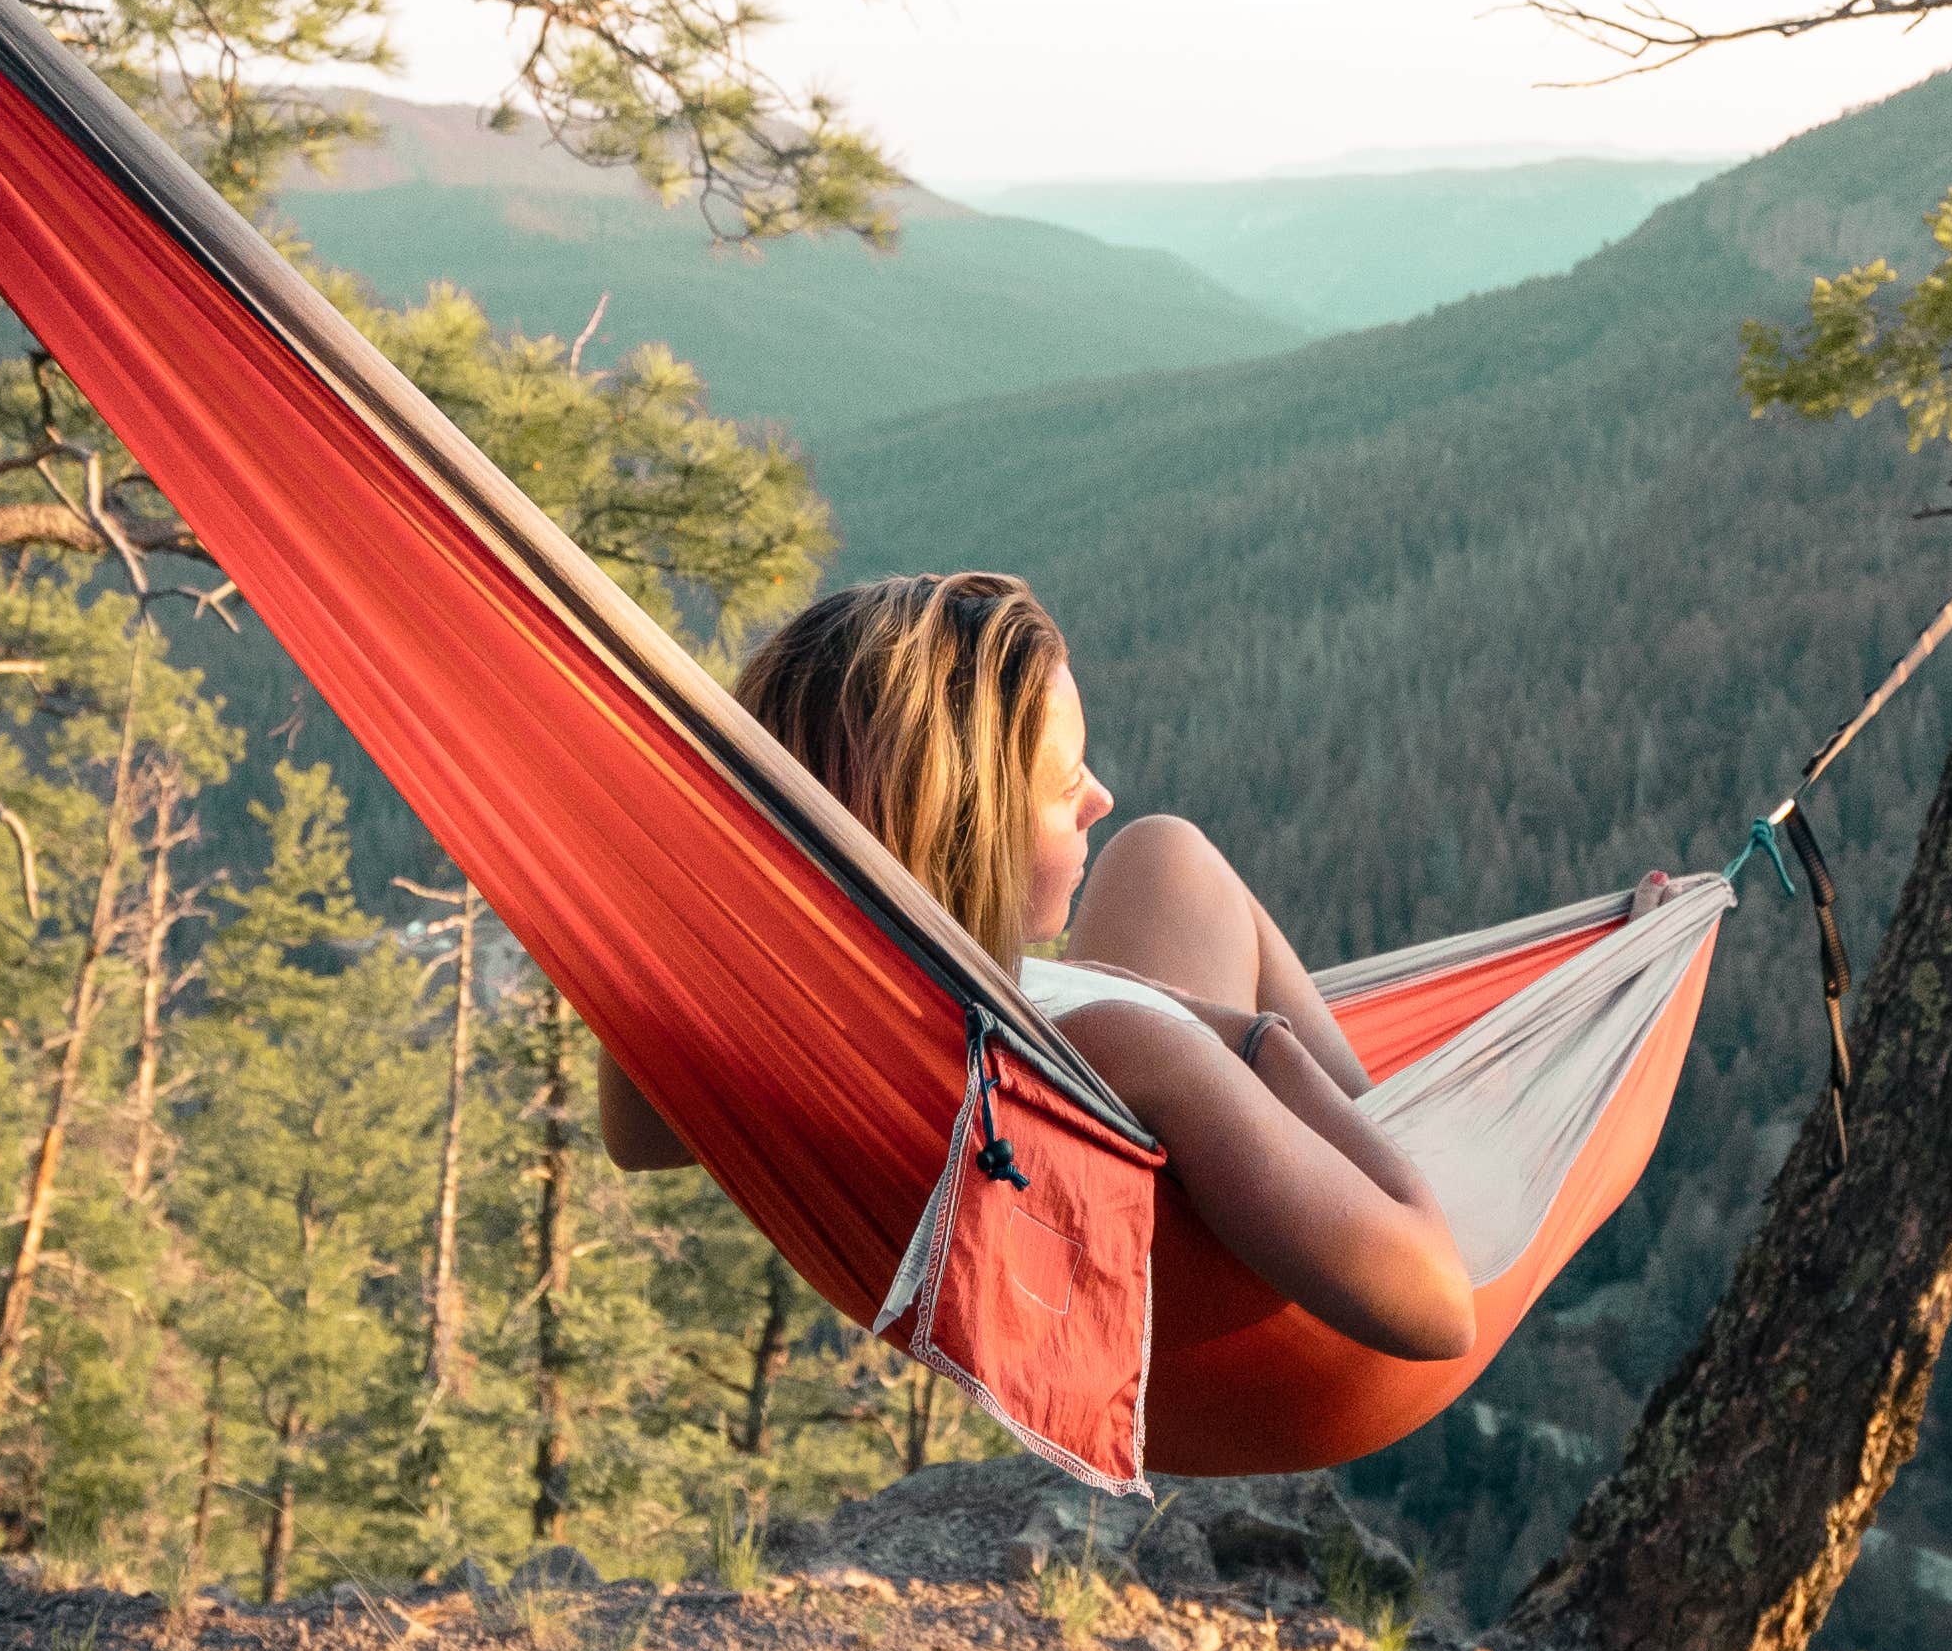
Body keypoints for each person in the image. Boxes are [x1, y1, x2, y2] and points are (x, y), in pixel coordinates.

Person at [595, 572, 1476, 1361]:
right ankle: (1409, 1135)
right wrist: (1252, 1042)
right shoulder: (1134, 1049)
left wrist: (688, 884)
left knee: (1161, 852)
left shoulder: (809, 1011)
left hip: (983, 1019)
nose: (1099, 796)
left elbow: (637, 1140)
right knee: (1171, 855)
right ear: (963, 834)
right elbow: (1440, 1312)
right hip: (1300, 1327)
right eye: (1063, 789)